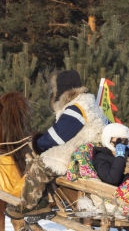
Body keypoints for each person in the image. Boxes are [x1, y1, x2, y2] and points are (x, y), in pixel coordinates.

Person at [13, 69, 107, 214]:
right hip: (93, 152)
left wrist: (37, 143)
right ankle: (50, 200)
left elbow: (57, 137)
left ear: (63, 91)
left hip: (79, 153)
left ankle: (25, 205)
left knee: (40, 165)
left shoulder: (76, 108)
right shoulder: (90, 105)